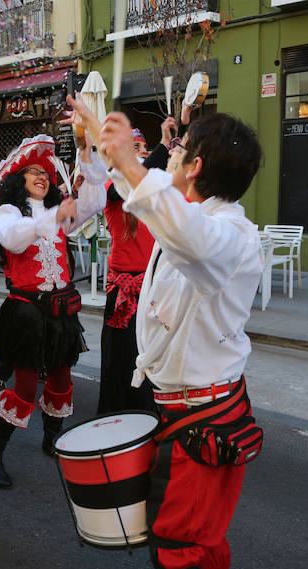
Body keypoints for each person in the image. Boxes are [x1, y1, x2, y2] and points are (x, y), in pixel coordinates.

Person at [74, 94, 264, 569]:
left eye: (177, 149)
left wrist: (130, 162)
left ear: (195, 166)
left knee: (181, 550)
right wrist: (103, 140)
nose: (169, 154)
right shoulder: (195, 215)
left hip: (205, 421)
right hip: (188, 413)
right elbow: (158, 205)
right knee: (198, 540)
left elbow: (186, 231)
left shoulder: (228, 236)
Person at [0, 134, 107, 489]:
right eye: (32, 172)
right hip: (26, 315)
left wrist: (87, 152)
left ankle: (52, 439)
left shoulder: (59, 210)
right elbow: (12, 239)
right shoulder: (8, 213)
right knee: (23, 388)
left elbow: (95, 201)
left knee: (62, 381)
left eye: (46, 173)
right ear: (17, 181)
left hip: (61, 312)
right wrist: (53, 214)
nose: (42, 176)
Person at [97, 117, 175, 415]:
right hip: (124, 288)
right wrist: (164, 144)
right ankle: (115, 414)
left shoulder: (151, 192)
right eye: (135, 149)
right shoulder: (112, 187)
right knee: (121, 356)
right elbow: (135, 178)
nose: (141, 153)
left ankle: (144, 416)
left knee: (148, 354)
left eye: (143, 148)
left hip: (152, 285)